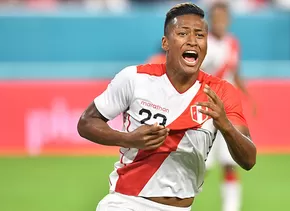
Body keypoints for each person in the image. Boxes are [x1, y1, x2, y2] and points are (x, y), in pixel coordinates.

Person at [77, 2, 256, 211]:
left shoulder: (222, 92)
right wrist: (128, 139)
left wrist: (225, 125)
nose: (192, 41)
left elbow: (249, 160)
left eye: (199, 35)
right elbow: (86, 122)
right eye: (182, 34)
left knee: (227, 168)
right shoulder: (134, 78)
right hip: (126, 203)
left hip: (180, 208)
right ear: (165, 42)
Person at [201, 2, 254, 211]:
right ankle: (177, 201)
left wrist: (249, 96)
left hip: (228, 112)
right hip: (205, 110)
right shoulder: (203, 42)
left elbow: (235, 72)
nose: (220, 22)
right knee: (200, 164)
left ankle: (231, 208)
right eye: (216, 19)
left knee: (230, 161)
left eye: (223, 18)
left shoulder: (233, 43)